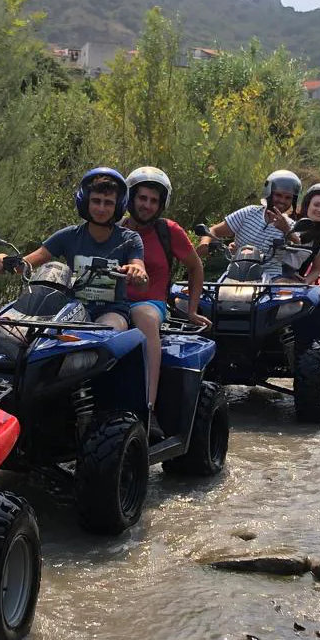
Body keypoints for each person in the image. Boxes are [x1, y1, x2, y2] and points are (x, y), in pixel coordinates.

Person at [0, 168, 147, 328]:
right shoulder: (69, 236)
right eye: (96, 201)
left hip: (111, 312)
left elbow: (140, 271)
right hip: (68, 309)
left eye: (108, 203)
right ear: (85, 202)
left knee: (105, 332)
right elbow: (26, 264)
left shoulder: (129, 239)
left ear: (118, 206)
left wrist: (137, 272)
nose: (101, 209)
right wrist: (3, 261)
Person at [121, 166, 210, 437]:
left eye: (153, 201)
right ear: (130, 198)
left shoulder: (168, 230)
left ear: (161, 205)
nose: (146, 205)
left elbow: (195, 266)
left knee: (145, 319)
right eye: (142, 198)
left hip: (150, 304)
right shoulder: (113, 228)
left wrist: (192, 310)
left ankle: (148, 410)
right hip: (112, 304)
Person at [197, 170, 301, 262]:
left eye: (288, 198)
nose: (282, 201)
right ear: (269, 193)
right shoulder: (249, 212)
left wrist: (287, 230)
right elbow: (214, 231)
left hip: (270, 277)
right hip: (237, 271)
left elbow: (299, 254)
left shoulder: (291, 226)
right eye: (278, 195)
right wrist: (205, 243)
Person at [282, 182, 320, 284]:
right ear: (307, 204)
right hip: (268, 272)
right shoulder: (286, 221)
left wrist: (304, 282)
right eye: (316, 205)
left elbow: (316, 269)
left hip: (291, 280)